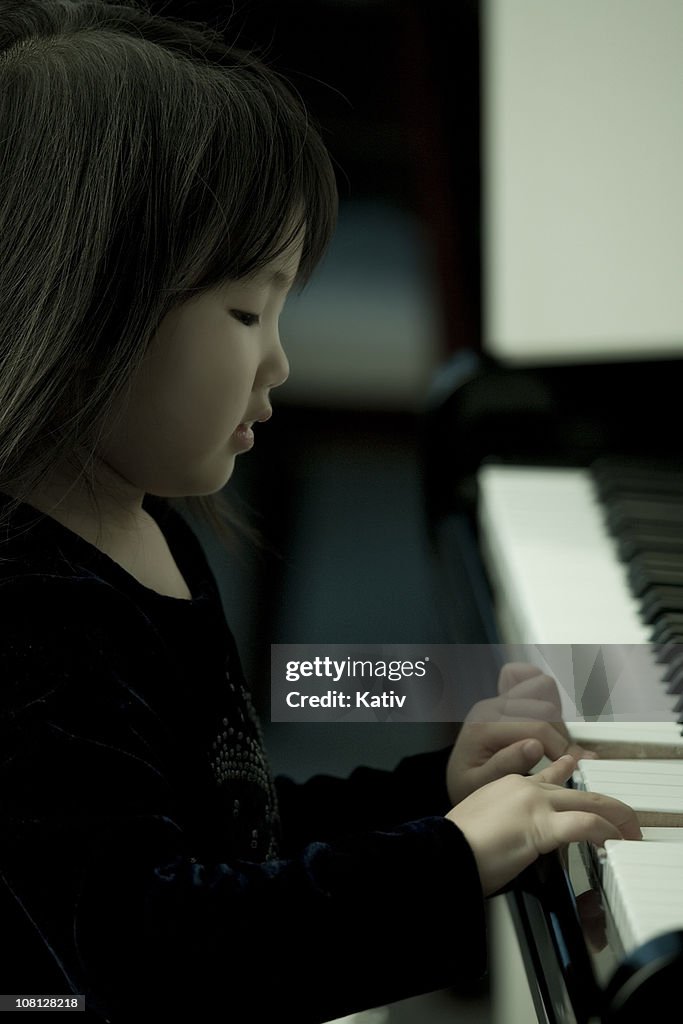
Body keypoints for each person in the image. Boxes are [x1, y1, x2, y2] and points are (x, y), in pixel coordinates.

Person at [0, 2, 640, 1021]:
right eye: (247, 312)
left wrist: (434, 796)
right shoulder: (29, 618)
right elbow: (161, 959)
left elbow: (223, 837)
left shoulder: (137, 523)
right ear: (90, 311)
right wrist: (449, 857)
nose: (280, 362)